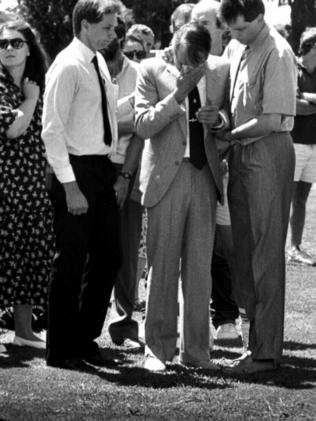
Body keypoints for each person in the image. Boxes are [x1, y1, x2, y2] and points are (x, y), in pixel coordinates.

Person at [135, 22, 229, 371]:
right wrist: (178, 95)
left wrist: (217, 120)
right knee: (161, 268)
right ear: (173, 47)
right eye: (187, 60)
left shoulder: (219, 71)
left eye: (199, 62)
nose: (193, 68)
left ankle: (198, 353)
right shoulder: (150, 69)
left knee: (199, 269)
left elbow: (229, 120)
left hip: (204, 177)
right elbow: (143, 124)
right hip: (165, 178)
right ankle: (156, 351)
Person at [42, 0, 122, 369]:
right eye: (107, 27)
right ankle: (60, 348)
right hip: (73, 171)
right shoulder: (68, 65)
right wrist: (71, 186)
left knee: (109, 256)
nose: (113, 33)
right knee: (70, 260)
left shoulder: (98, 61)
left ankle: (82, 336)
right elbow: (52, 131)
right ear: (85, 25)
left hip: (100, 170)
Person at [219, 0, 297, 374]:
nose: (234, 37)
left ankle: (266, 353)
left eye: (241, 29)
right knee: (245, 254)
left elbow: (270, 119)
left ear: (260, 18)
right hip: (241, 154)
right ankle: (256, 346)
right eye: (231, 30)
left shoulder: (278, 52)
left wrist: (228, 136)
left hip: (266, 153)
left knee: (265, 254)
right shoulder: (240, 48)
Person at [0, 19, 54, 350]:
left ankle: (24, 331)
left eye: (16, 43)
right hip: (4, 185)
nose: (8, 48)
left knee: (30, 256)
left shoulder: (39, 84)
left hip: (33, 184)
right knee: (4, 256)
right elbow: (12, 129)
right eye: (3, 43)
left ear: (29, 48)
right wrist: (31, 100)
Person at [191, 0, 242, 341]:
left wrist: (220, 121)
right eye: (195, 21)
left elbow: (232, 114)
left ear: (221, 28)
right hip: (183, 171)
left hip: (220, 167)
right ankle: (196, 319)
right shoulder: (172, 60)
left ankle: (228, 316)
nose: (199, 27)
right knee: (197, 247)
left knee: (222, 247)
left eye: (206, 23)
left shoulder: (227, 66)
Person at [101, 17, 144, 349]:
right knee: (87, 248)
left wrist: (126, 177)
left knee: (127, 251)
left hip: (127, 169)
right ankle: (76, 324)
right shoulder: (85, 68)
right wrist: (121, 122)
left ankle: (124, 324)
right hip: (90, 167)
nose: (107, 35)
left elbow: (141, 130)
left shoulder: (139, 74)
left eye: (112, 29)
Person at [288, 28, 316, 266]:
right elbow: (294, 105)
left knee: (301, 200)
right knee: (284, 198)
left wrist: (309, 98)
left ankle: (295, 248)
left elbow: (304, 103)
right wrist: (308, 101)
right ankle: (276, 247)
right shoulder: (293, 69)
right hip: (294, 143)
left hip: (313, 146)